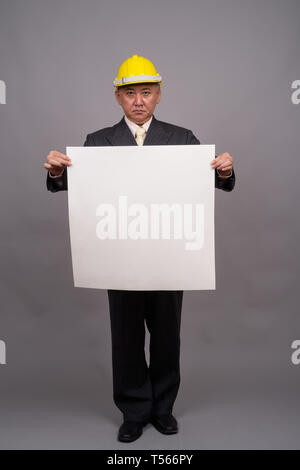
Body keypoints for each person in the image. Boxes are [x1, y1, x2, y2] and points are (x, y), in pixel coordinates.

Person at [44, 54, 235, 443]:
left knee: (167, 336)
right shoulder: (97, 143)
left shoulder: (183, 139)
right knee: (126, 337)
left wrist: (226, 170)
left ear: (159, 95)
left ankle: (162, 409)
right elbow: (73, 188)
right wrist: (57, 171)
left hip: (168, 257)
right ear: (118, 97)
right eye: (130, 93)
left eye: (146, 92)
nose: (138, 101)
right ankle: (133, 412)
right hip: (119, 257)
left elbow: (213, 183)